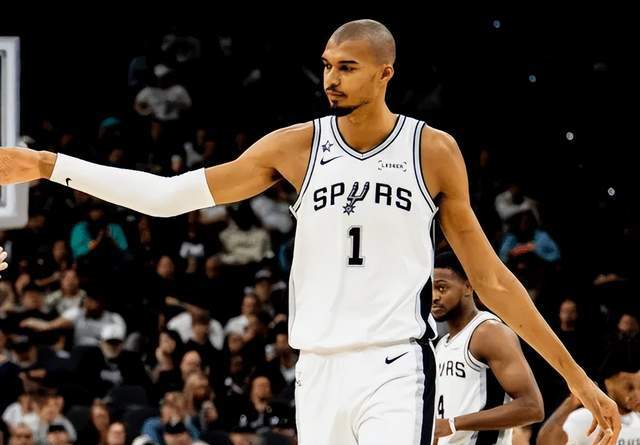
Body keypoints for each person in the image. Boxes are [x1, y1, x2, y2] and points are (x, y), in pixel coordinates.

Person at [0, 18, 620, 444]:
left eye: (347, 67)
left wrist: (577, 378)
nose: (331, 79)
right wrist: (49, 165)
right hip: (316, 368)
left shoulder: (431, 150)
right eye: (326, 66)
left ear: (385, 72)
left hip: (395, 365)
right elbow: (168, 198)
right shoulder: (296, 147)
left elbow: (492, 280)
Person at [431, 251, 543, 444]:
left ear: (468, 286)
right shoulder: (441, 344)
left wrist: (453, 424)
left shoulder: (489, 333)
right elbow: (439, 424)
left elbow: (532, 407)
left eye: (442, 288)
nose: (434, 297)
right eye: (430, 289)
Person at [537, 340, 640, 444]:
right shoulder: (586, 417)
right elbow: (545, 442)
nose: (638, 395)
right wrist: (570, 403)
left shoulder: (637, 418)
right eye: (629, 388)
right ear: (609, 384)